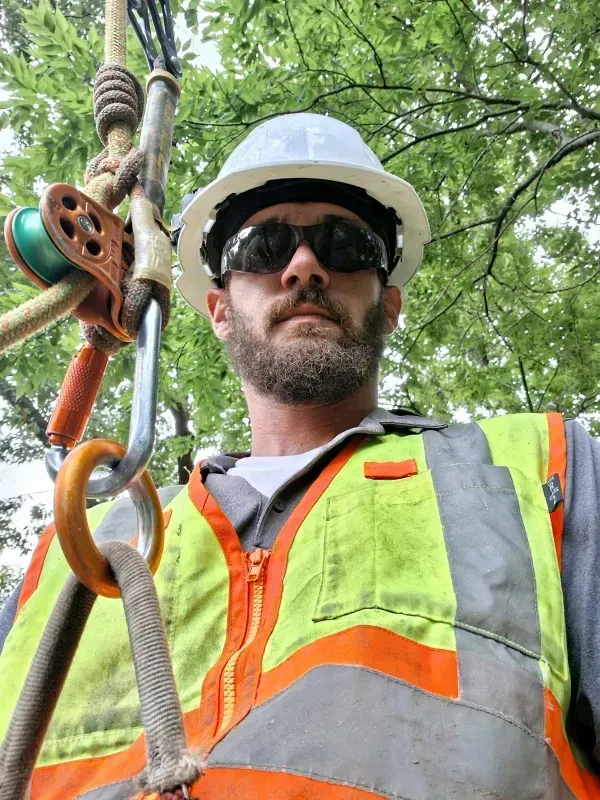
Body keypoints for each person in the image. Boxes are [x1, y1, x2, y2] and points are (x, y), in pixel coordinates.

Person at [1, 112, 600, 799]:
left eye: (345, 245)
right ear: (220, 309)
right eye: (264, 246)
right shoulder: (74, 551)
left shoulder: (539, 471)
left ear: (390, 305)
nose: (305, 267)